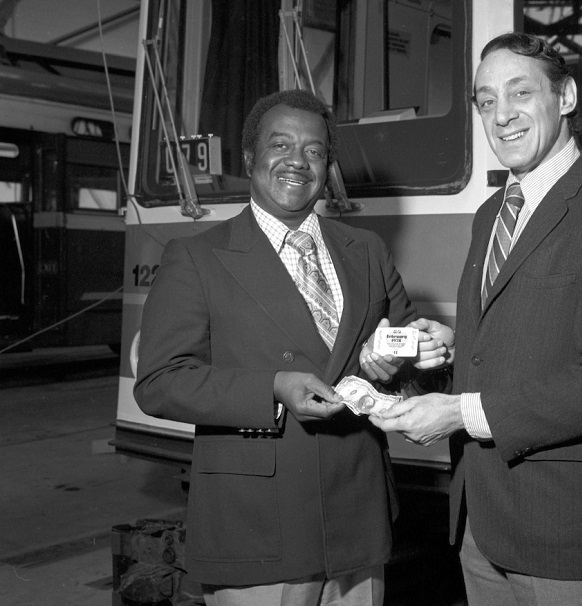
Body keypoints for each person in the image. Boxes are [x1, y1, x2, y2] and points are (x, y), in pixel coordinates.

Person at [366, 32, 582, 605]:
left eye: (520, 93)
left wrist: (457, 412)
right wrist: (449, 350)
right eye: (485, 101)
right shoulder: (490, 214)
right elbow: (515, 341)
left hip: (561, 532)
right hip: (481, 525)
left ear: (567, 96)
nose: (501, 117)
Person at [133, 89, 444, 606]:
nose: (297, 161)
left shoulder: (365, 250)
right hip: (257, 525)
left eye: (315, 151)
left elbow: (411, 367)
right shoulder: (196, 257)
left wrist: (414, 358)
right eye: (280, 145)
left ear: (328, 165)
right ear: (251, 159)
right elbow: (159, 382)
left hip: (356, 517)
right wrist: (274, 388)